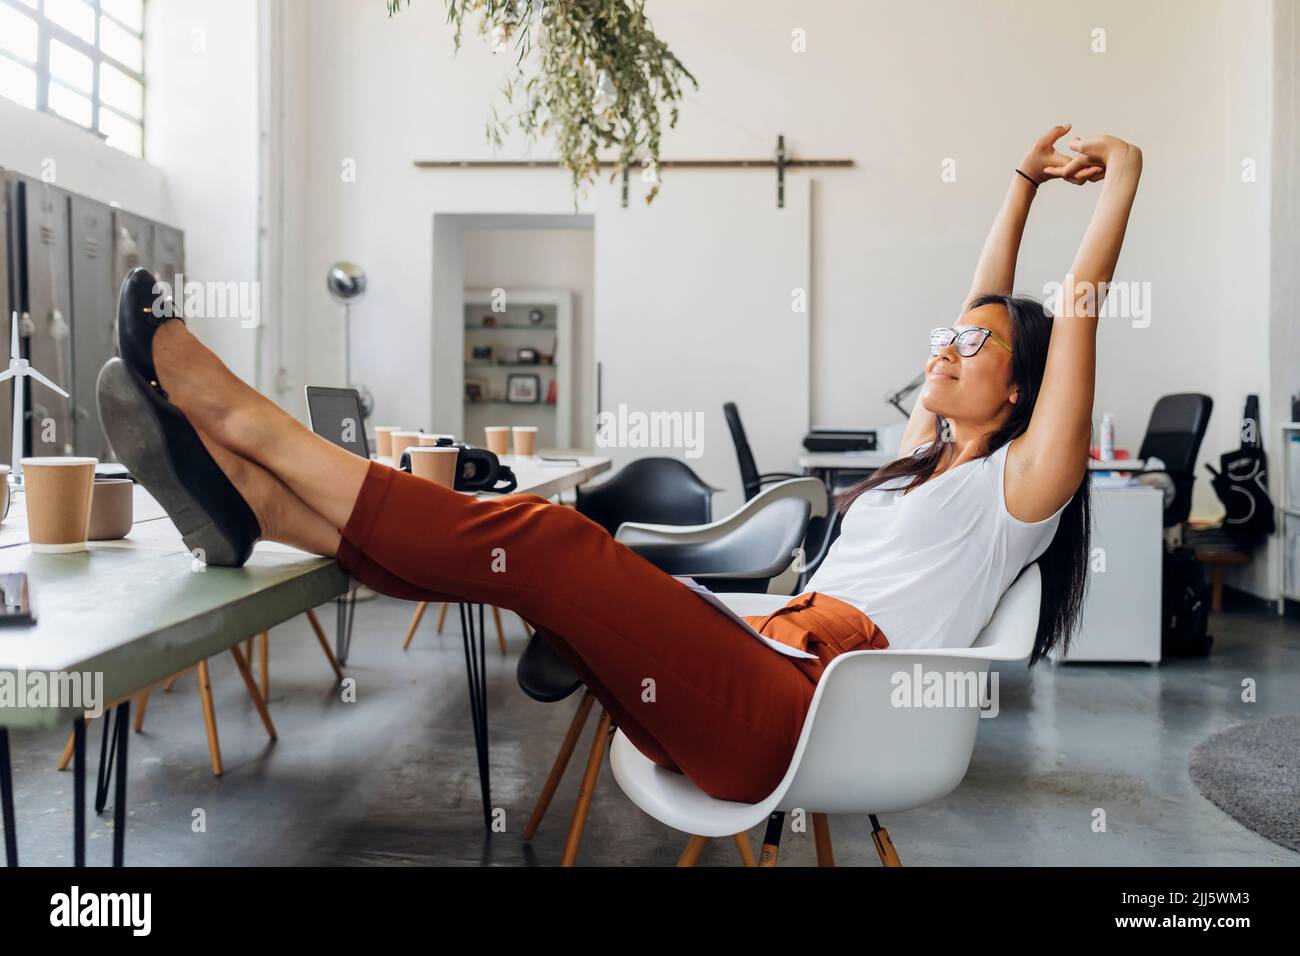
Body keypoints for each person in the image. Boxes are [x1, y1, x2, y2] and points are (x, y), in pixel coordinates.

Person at [96, 126, 1141, 804]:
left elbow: (1074, 309)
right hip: (761, 663)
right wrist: (1017, 180)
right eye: (947, 335)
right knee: (524, 565)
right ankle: (267, 503)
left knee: (551, 541)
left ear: (1020, 395)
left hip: (802, 715)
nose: (947, 349)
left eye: (978, 349)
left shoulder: (1015, 493)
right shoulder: (927, 455)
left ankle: (255, 430)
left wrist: (1121, 178)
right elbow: (984, 299)